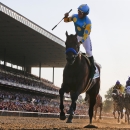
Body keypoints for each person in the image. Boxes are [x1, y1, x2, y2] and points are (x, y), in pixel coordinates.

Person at [64, 4, 96, 78]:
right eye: (78, 11)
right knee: (72, 49)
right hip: (77, 36)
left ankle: (93, 69)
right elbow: (66, 20)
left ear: (85, 14)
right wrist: (65, 16)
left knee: (88, 52)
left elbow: (86, 34)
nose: (79, 13)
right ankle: (70, 64)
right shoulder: (75, 16)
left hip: (85, 37)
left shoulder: (88, 22)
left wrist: (80, 42)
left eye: (81, 12)